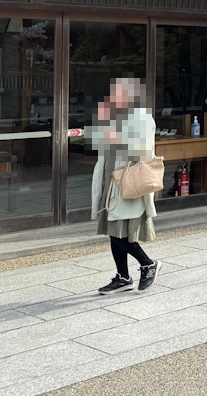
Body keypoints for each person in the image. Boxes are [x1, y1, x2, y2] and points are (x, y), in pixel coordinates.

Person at [92, 77, 160, 295]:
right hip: (112, 178)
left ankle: (148, 263)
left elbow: (143, 149)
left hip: (126, 179)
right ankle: (123, 277)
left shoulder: (140, 117)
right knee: (113, 230)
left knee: (120, 233)